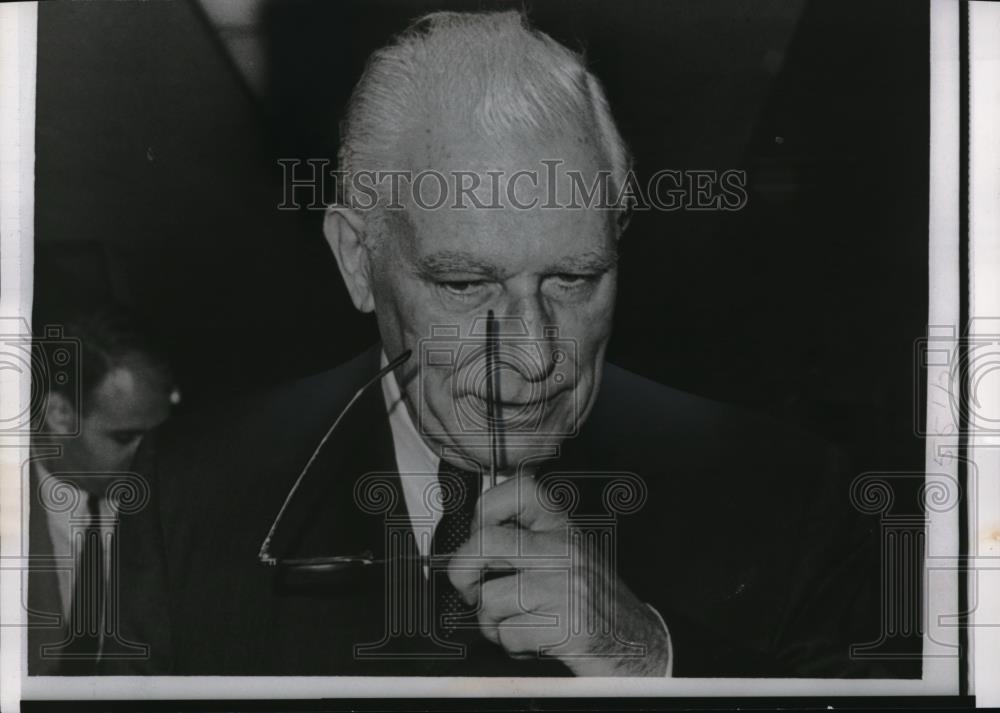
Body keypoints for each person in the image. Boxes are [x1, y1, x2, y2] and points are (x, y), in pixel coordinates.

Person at [110, 11, 879, 677]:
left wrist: (649, 658)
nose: (536, 355)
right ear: (356, 259)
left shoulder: (782, 490)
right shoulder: (186, 498)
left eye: (575, 279)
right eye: (465, 285)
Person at [27, 307, 176, 674]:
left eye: (155, 437)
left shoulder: (176, 503)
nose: (146, 458)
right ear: (60, 414)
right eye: (124, 438)